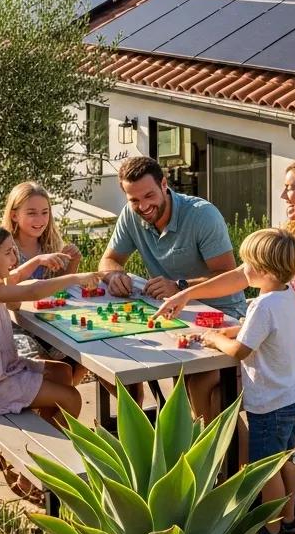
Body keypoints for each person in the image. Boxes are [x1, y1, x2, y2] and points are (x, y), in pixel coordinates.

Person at [159, 157, 295, 411]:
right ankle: (210, 447)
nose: (284, 195)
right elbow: (242, 275)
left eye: (290, 187)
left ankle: (236, 450)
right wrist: (185, 294)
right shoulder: (291, 236)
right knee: (200, 379)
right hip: (278, 345)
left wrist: (255, 335)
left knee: (222, 393)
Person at [0, 222, 97, 497]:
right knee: (71, 399)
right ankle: (31, 463)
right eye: (8, 253)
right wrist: (75, 278)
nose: (14, 260)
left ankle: (34, 443)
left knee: (62, 372)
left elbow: (17, 278)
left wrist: (38, 260)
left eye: (15, 252)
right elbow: (31, 291)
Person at [96, 155, 243, 411]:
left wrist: (181, 286)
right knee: (117, 363)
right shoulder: (130, 216)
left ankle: (206, 446)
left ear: (164, 184)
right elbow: (108, 260)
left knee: (197, 385)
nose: (143, 206)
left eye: (149, 196)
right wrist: (115, 275)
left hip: (221, 316)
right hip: (172, 318)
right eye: (134, 200)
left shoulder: (202, 215)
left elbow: (230, 276)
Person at [197, 227, 295, 534]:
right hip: (292, 395)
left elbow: (241, 350)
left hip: (270, 404)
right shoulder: (284, 296)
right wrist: (231, 331)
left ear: (263, 270)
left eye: (247, 264)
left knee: (265, 469)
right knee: (285, 460)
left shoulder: (262, 306)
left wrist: (217, 339)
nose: (243, 270)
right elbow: (254, 332)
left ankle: (269, 530)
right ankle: (288, 522)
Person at [2, 181, 87, 385]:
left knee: (86, 350)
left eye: (45, 212)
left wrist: (72, 263)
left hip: (47, 324)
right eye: (31, 213)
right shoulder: (4, 248)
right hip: (13, 329)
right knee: (45, 368)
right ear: (14, 215)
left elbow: (60, 291)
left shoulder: (50, 244)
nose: (40, 220)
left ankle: (63, 398)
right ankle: (58, 400)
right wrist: (37, 262)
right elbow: (8, 296)